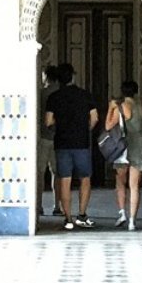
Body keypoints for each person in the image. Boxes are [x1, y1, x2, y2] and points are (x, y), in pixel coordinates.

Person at [44, 63, 98, 229]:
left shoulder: (54, 97)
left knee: (65, 180)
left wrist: (60, 128)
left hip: (62, 143)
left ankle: (68, 219)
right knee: (85, 179)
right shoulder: (85, 95)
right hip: (81, 143)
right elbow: (94, 118)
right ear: (73, 76)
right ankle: (81, 215)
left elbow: (48, 121)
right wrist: (84, 129)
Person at [104, 80, 142, 230]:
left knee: (120, 182)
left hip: (123, 148)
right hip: (138, 145)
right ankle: (132, 221)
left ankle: (122, 213)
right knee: (134, 186)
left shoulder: (121, 107)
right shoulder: (141, 106)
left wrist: (110, 108)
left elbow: (108, 126)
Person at [36, 65, 58, 217]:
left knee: (40, 172)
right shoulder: (61, 92)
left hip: (43, 136)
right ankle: (58, 206)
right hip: (58, 138)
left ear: (46, 77)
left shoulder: (41, 93)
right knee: (57, 173)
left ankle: (38, 205)